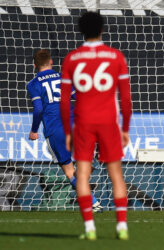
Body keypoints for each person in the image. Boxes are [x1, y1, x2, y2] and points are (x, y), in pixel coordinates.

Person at [60, 12, 132, 240]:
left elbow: (64, 102)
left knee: (82, 174)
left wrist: (68, 132)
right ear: (103, 29)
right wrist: (125, 128)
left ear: (81, 30)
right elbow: (126, 99)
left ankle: (90, 228)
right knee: (116, 174)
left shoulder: (72, 58)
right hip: (108, 121)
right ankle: (121, 226)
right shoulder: (115, 56)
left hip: (83, 121)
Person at [26, 49, 103, 212]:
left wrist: (34, 130)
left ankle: (93, 202)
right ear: (51, 62)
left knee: (69, 172)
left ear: (34, 65)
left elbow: (38, 109)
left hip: (55, 130)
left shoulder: (33, 84)